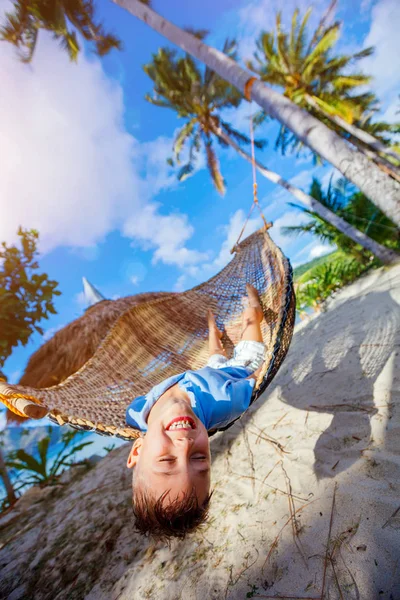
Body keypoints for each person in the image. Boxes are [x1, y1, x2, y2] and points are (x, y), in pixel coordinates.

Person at [125, 284, 266, 540]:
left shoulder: (135, 414)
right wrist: (256, 370)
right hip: (240, 366)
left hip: (210, 370)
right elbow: (255, 376)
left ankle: (213, 329)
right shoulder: (225, 403)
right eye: (200, 458)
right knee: (251, 318)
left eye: (167, 461)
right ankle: (253, 304)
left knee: (214, 356)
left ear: (137, 450)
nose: (184, 444)